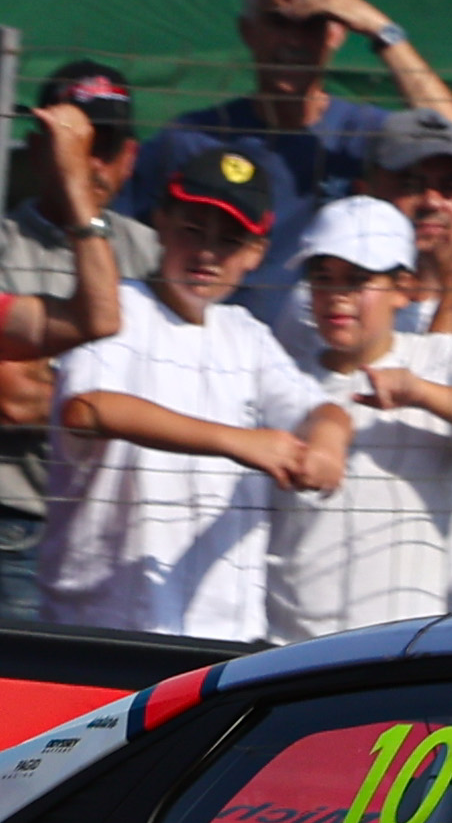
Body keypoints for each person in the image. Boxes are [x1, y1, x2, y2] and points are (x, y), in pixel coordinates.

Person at [42, 144, 346, 640]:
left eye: (229, 240)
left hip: (223, 633)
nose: (207, 252)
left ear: (255, 254)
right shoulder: (117, 308)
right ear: (160, 222)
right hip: (104, 625)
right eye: (192, 229)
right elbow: (87, 409)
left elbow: (322, 408)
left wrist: (328, 445)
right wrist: (238, 441)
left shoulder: (245, 333)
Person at [261, 195, 452, 641]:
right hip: (289, 648)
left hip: (402, 650)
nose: (337, 297)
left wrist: (420, 393)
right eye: (323, 278)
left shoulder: (439, 359)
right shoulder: (282, 376)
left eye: (358, 280)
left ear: (403, 288)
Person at [127, 0, 452, 307]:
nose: (293, 41)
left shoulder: (366, 133)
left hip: (332, 334)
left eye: (312, 25)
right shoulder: (193, 137)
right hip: (214, 334)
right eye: (278, 22)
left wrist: (381, 30)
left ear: (336, 34)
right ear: (248, 32)